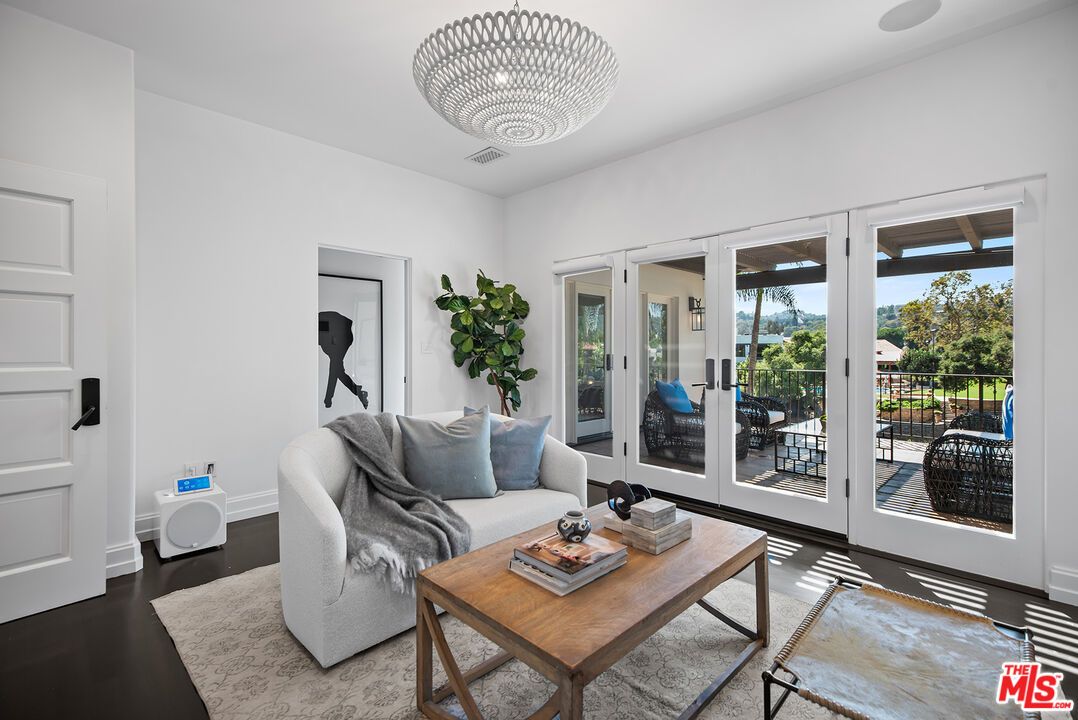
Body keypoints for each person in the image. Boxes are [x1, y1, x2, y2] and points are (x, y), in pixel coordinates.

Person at [318, 310, 369, 410]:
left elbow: (331, 329)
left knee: (335, 369)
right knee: (337, 370)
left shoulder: (318, 323)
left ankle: (329, 399)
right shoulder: (318, 323)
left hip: (339, 338)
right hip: (338, 337)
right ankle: (357, 391)